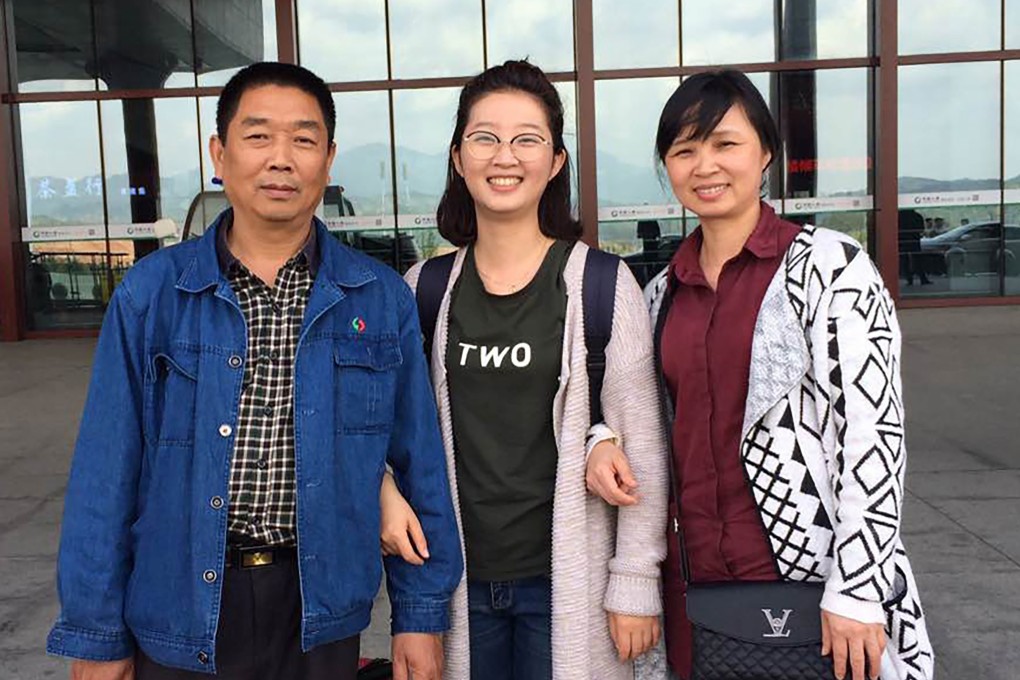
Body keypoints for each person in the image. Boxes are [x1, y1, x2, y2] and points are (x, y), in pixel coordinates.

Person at [46, 62, 462, 680]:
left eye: (303, 139)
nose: (281, 159)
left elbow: (421, 463)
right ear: (220, 154)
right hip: (178, 605)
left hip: (319, 610)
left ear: (328, 159)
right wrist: (97, 635)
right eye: (259, 135)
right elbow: (105, 477)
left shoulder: (378, 299)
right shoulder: (152, 295)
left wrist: (420, 615)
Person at [591, 70, 935, 680]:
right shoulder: (659, 294)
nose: (705, 166)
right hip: (695, 584)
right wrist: (603, 439)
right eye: (684, 150)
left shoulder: (830, 269)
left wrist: (857, 589)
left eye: (725, 143)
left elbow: (874, 435)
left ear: (766, 153)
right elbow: (633, 411)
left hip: (814, 585)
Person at [377, 60, 668, 680]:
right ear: (458, 158)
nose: (504, 156)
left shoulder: (601, 285)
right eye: (485, 137)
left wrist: (635, 580)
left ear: (556, 161)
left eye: (527, 139)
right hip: (458, 582)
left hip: (567, 583)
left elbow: (641, 442)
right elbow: (385, 431)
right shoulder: (423, 289)